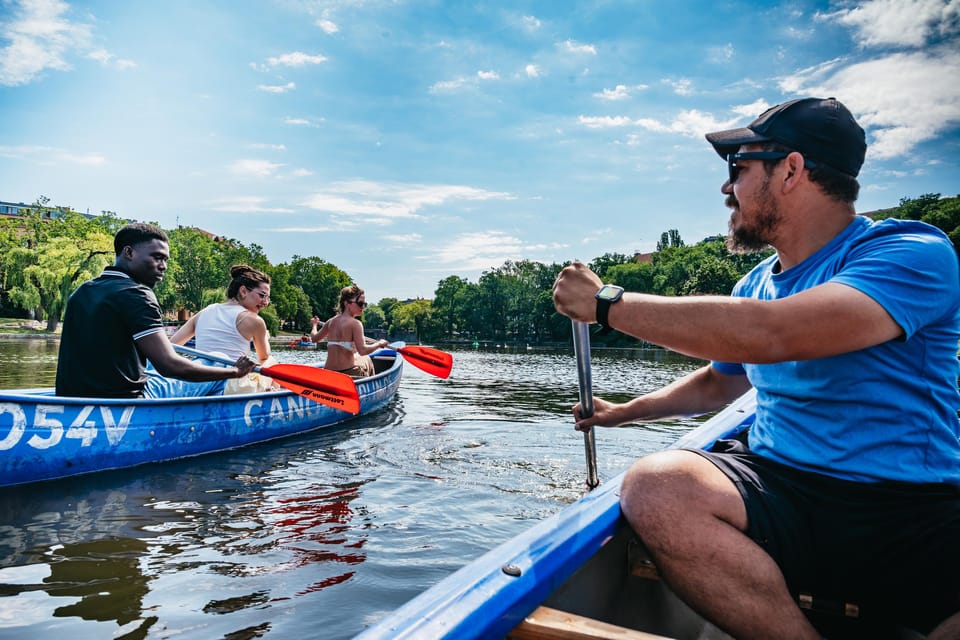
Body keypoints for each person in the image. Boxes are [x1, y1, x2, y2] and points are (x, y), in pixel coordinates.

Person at [552, 97, 960, 640]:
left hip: (911, 507)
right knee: (655, 485)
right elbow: (723, 379)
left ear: (791, 169)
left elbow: (778, 333)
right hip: (782, 490)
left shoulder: (910, 252)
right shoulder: (756, 285)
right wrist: (624, 412)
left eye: (738, 169)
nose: (727, 188)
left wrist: (607, 304)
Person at [56, 223, 255, 399]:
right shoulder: (137, 294)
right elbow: (169, 366)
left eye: (165, 260)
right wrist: (235, 371)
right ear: (129, 252)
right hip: (127, 397)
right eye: (157, 258)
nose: (164, 266)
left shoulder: (81, 291)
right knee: (217, 362)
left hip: (72, 395)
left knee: (153, 365)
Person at [167, 264, 280, 394]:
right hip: (232, 384)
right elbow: (264, 357)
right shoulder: (255, 321)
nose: (265, 302)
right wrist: (265, 338)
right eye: (262, 295)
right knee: (272, 362)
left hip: (202, 379)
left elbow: (171, 346)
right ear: (243, 291)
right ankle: (272, 395)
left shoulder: (204, 312)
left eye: (268, 298)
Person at [309, 284, 388, 378]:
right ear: (346, 303)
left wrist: (314, 325)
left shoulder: (331, 322)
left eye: (364, 304)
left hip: (329, 373)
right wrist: (379, 344)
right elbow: (363, 350)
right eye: (360, 303)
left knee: (358, 357)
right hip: (348, 374)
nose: (363, 307)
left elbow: (314, 338)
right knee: (366, 358)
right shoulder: (355, 324)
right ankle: (372, 385)